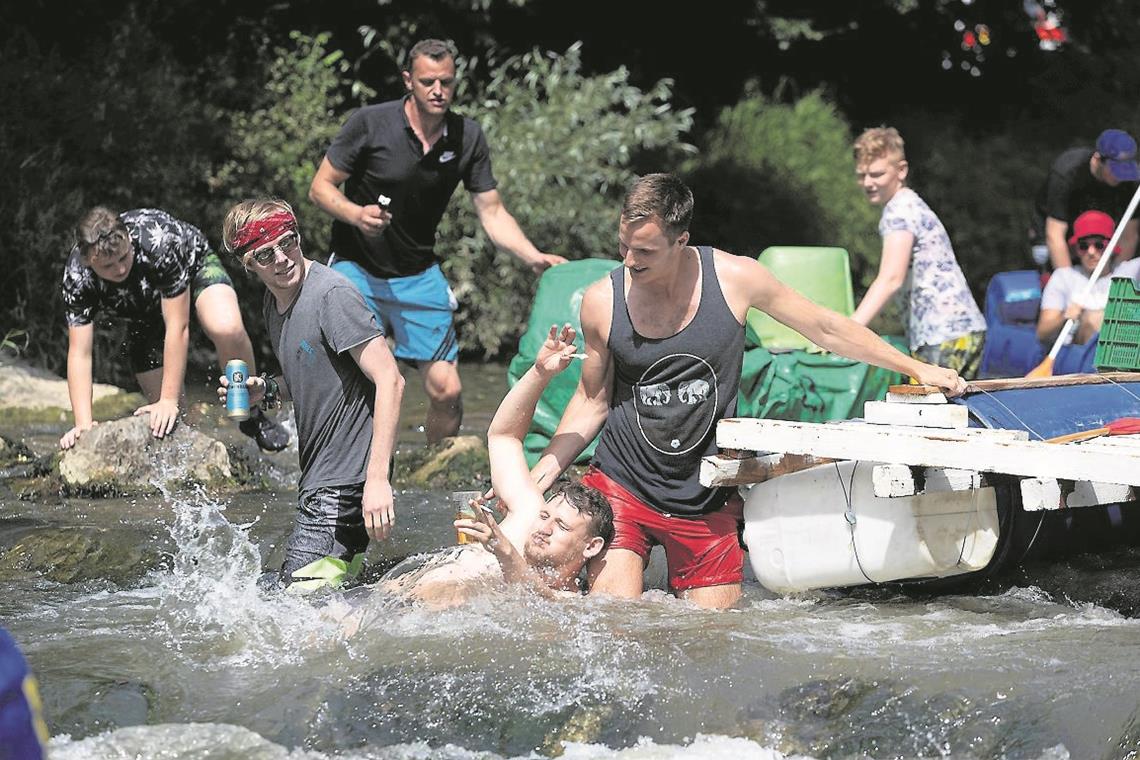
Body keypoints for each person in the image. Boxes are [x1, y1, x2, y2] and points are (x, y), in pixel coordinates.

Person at [530, 173, 967, 610]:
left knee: (713, 638)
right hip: (624, 484)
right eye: (623, 246)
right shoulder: (601, 301)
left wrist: (916, 367)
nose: (628, 260)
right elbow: (591, 402)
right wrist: (539, 475)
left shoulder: (736, 279)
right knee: (616, 621)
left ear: (682, 241)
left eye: (645, 251)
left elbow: (825, 327)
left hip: (706, 492)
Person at [308, 38, 566, 444]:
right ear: (409, 80)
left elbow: (492, 211)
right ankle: (352, 468)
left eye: (446, 81)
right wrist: (356, 215)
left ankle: (431, 473)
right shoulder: (370, 123)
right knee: (363, 380)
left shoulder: (467, 137)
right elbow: (320, 188)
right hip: (356, 268)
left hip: (417, 273)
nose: (438, 90)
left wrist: (532, 256)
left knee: (448, 393)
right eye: (428, 81)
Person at [332, 324, 613, 616]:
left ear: (591, 547)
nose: (544, 528)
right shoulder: (528, 520)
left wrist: (504, 551)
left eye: (562, 526)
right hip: (378, 601)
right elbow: (503, 437)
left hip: (415, 626)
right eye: (546, 516)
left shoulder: (573, 606)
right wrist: (539, 373)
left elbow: (538, 597)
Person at [218, 199, 404, 587]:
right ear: (249, 265)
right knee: (334, 598)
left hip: (346, 482)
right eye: (266, 255)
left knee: (293, 604)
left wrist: (376, 479)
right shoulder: (274, 303)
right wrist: (266, 390)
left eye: (289, 243)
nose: (283, 259)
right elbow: (312, 379)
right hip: (324, 478)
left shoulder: (331, 295)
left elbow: (391, 380)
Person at [60, 207, 290, 451]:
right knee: (171, 422)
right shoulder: (78, 277)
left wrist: (167, 400)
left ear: (128, 238)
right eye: (107, 266)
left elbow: (177, 327)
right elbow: (80, 352)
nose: (119, 270)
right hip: (144, 314)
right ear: (88, 261)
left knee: (226, 329)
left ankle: (252, 412)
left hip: (195, 269)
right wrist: (83, 424)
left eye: (124, 257)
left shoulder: (159, 240)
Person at [851, 127, 987, 379]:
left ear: (901, 170)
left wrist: (849, 329)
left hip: (941, 334)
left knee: (924, 413)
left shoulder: (898, 211)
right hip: (963, 329)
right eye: (862, 175)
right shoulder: (912, 203)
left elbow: (891, 278)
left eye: (877, 174)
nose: (868, 183)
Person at [1034, 128, 1140, 271]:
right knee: (1050, 266)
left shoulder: (1131, 181)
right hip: (1058, 226)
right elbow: (1055, 235)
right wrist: (1069, 284)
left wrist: (1114, 278)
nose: (1120, 177)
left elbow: (1129, 237)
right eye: (1116, 170)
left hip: (1100, 227)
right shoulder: (1067, 173)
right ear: (1098, 159)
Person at [1037, 209, 1140, 346]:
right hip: (1083, 354)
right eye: (1083, 246)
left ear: (1111, 246)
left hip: (1126, 348)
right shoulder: (1064, 277)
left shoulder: (1129, 271)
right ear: (1076, 250)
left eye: (1099, 245)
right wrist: (1064, 317)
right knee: (1094, 318)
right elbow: (1042, 333)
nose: (1091, 252)